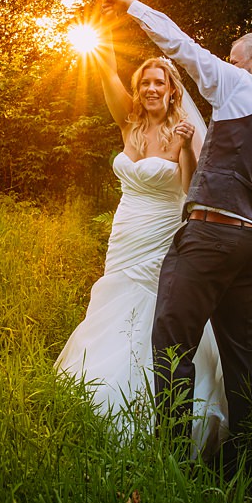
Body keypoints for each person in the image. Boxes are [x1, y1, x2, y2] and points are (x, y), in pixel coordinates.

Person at [94, 0, 252, 471]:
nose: (226, 65)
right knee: (240, 349)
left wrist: (128, 5)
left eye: (233, 59)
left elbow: (181, 46)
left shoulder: (242, 86)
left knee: (171, 339)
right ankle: (250, 455)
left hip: (210, 236)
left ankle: (172, 456)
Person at [55, 32, 228, 457]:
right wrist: (99, 35)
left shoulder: (184, 131)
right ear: (139, 91)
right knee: (113, 301)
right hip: (125, 232)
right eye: (145, 82)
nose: (152, 88)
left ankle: (156, 416)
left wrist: (186, 146)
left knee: (153, 312)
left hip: (161, 233)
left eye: (160, 83)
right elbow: (106, 73)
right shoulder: (128, 126)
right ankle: (99, 395)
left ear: (172, 92)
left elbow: (190, 191)